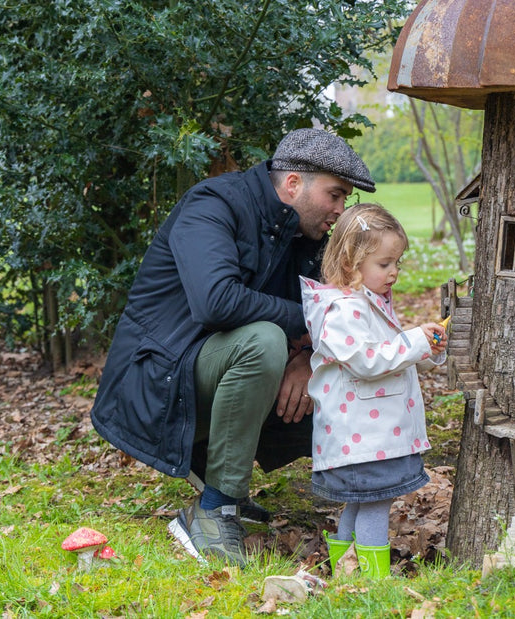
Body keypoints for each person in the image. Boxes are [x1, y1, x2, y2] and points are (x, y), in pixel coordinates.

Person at [90, 128, 376, 567]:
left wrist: (304, 358)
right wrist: (303, 328)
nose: (340, 210)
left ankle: (213, 470)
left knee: (340, 365)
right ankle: (213, 510)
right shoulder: (214, 206)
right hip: (157, 384)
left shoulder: (308, 236)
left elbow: (341, 310)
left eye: (345, 199)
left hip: (211, 369)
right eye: (335, 195)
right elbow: (216, 302)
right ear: (293, 183)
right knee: (263, 343)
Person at [300, 203, 446, 579]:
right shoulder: (344, 310)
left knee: (359, 501)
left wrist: (424, 349)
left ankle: (347, 570)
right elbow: (367, 361)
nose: (394, 272)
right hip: (363, 437)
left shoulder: (368, 302)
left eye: (397, 262)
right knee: (376, 502)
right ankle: (373, 579)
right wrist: (413, 341)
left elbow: (390, 357)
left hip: (370, 435)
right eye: (385, 264)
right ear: (351, 263)